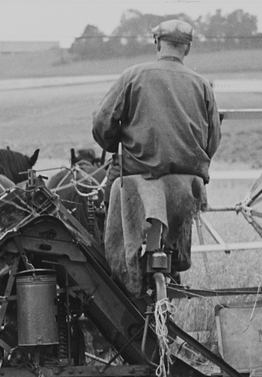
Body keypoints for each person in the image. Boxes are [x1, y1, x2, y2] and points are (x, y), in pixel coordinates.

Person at [91, 19, 221, 293]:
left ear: (157, 44)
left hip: (139, 178)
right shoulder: (202, 85)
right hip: (187, 186)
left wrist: (114, 143)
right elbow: (213, 140)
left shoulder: (133, 76)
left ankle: (119, 272)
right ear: (187, 49)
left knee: (106, 195)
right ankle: (172, 264)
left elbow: (102, 124)